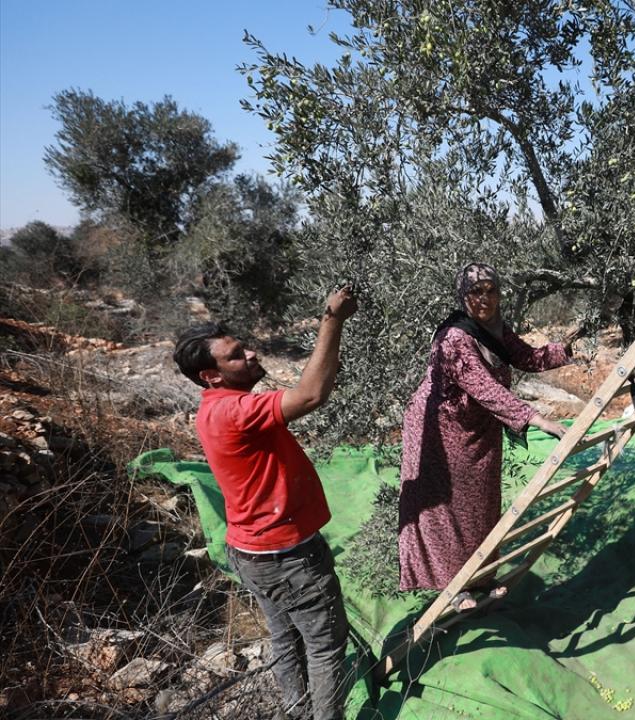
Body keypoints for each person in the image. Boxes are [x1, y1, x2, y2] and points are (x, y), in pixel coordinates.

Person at [173, 287, 358, 719]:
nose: (252, 354)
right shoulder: (235, 412)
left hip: (252, 552)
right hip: (288, 555)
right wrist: (332, 320)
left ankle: (296, 712)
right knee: (327, 647)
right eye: (236, 355)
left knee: (287, 639)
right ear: (211, 376)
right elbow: (311, 395)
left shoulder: (215, 407)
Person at [399, 262, 575, 609]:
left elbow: (525, 356)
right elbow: (485, 389)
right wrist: (538, 420)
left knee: (480, 505)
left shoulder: (494, 330)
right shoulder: (454, 338)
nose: (485, 298)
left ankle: (480, 579)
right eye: (476, 291)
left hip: (477, 431)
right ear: (463, 296)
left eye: (491, 290)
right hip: (440, 432)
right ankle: (454, 590)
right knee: (449, 511)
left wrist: (564, 348)